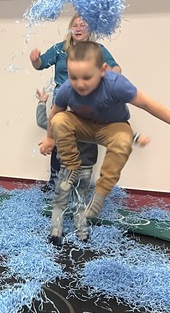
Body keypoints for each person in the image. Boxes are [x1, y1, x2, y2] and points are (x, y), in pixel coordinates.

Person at [48, 41, 170, 243]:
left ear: (103, 70)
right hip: (83, 127)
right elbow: (54, 113)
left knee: (123, 139)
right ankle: (72, 167)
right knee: (59, 120)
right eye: (74, 77)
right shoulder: (68, 88)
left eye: (87, 78)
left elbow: (147, 103)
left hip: (111, 127)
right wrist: (49, 138)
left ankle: (101, 192)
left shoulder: (115, 83)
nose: (80, 84)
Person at [36, 89, 151, 241]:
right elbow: (44, 120)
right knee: (68, 200)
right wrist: (42, 101)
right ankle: (66, 232)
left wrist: (136, 137)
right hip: (71, 169)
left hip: (79, 169)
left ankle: (71, 232)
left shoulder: (88, 122)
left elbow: (116, 132)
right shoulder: (71, 121)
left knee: (70, 200)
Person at [30, 13, 122, 191]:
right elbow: (41, 64)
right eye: (75, 25)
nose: (78, 28)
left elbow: (115, 67)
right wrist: (35, 60)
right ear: (70, 28)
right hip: (62, 102)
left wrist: (111, 75)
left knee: (85, 142)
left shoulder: (97, 50)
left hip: (86, 102)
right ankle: (54, 182)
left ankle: (80, 185)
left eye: (83, 25)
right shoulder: (60, 49)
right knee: (59, 139)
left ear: (90, 29)